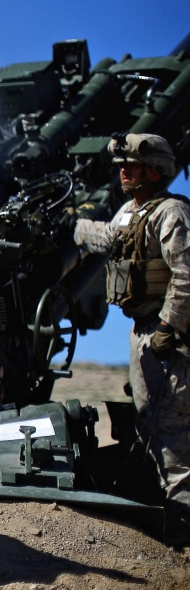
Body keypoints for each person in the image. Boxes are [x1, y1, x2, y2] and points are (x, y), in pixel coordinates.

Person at [71, 132, 190, 545]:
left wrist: (169, 328)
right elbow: (108, 237)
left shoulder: (171, 213)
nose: (123, 172)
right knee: (148, 428)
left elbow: (187, 276)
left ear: (154, 171)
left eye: (133, 166)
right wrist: (75, 225)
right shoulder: (132, 212)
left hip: (171, 340)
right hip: (143, 333)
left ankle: (183, 530)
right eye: (121, 165)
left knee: (172, 435)